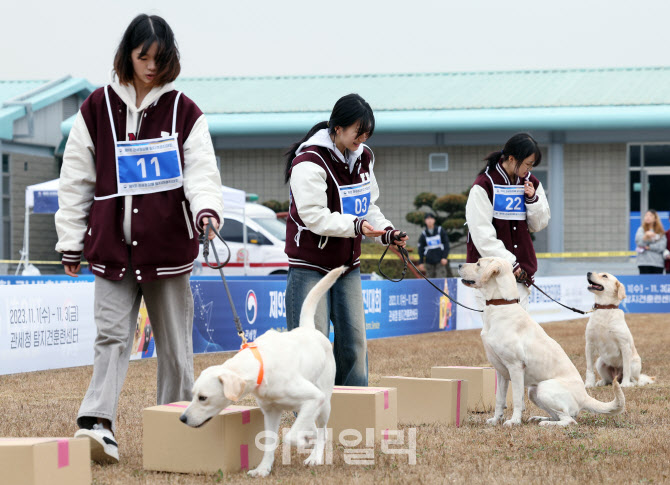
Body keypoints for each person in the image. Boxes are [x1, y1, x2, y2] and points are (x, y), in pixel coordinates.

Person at [55, 14, 223, 464]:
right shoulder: (95, 108)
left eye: (159, 57)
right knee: (111, 337)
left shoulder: (186, 112)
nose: (151, 65)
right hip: (111, 247)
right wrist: (71, 240)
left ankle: (178, 425)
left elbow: (202, 172)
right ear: (127, 55)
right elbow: (75, 180)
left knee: (174, 346)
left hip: (169, 251)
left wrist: (207, 210)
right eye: (142, 56)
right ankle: (96, 424)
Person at [283, 93, 408, 387]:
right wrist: (357, 225)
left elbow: (369, 206)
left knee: (354, 341)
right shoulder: (308, 161)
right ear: (337, 128)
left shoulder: (363, 157)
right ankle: (308, 413)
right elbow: (313, 216)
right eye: (357, 132)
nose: (362, 138)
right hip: (308, 265)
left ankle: (355, 404)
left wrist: (386, 232)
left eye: (366, 133)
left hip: (347, 265)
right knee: (311, 345)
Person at [465, 133, 551, 310]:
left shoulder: (531, 183)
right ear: (512, 159)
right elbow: (482, 234)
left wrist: (532, 200)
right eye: (527, 164)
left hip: (521, 274)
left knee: (518, 333)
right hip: (490, 276)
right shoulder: (483, 185)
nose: (530, 169)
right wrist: (509, 263)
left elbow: (539, 224)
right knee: (497, 334)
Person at [417, 212, 450, 278]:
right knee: (430, 281)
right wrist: (421, 262)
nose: (429, 220)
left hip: (440, 261)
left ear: (434, 220)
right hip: (429, 262)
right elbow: (421, 249)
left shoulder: (440, 230)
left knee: (440, 279)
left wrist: (445, 257)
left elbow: (446, 244)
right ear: (425, 221)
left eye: (431, 218)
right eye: (427, 219)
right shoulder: (424, 234)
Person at [635, 209, 667, 274]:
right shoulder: (641, 229)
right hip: (643, 263)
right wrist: (646, 237)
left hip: (657, 263)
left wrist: (649, 247)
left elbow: (662, 246)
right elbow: (639, 243)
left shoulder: (660, 231)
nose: (648, 217)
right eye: (646, 215)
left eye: (650, 215)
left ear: (655, 218)